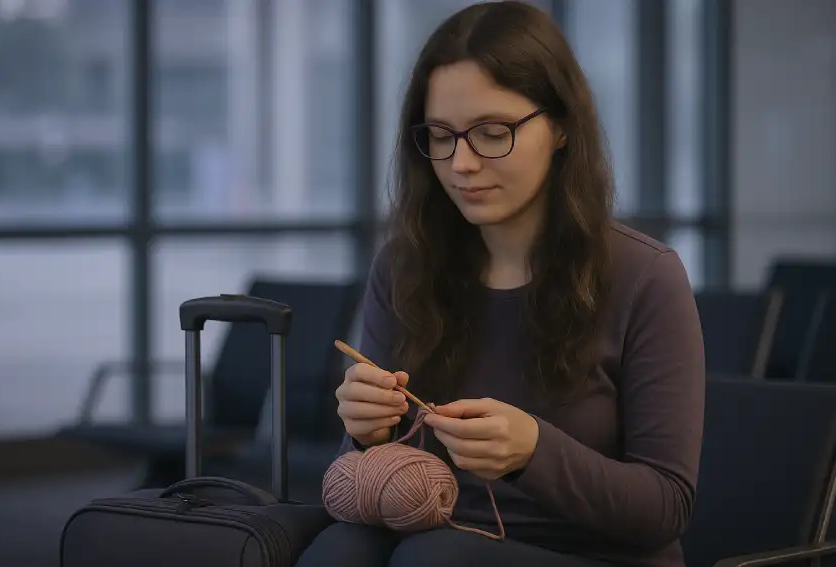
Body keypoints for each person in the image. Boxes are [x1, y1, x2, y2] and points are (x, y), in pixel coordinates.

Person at [296, 2, 705, 566]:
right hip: (437, 537)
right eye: (441, 136)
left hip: (592, 554)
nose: (461, 163)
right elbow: (365, 485)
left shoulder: (645, 276)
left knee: (433, 561)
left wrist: (535, 452)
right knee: (337, 548)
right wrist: (367, 433)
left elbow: (666, 507)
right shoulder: (404, 267)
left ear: (560, 127)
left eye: (492, 133)